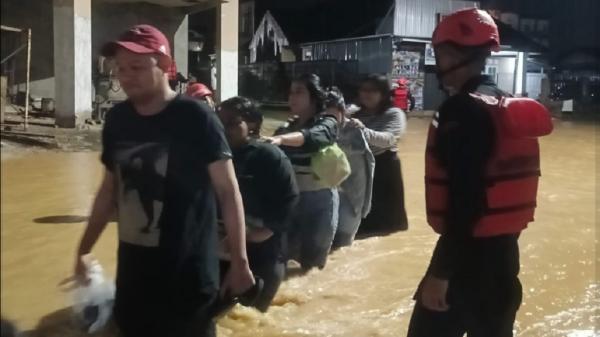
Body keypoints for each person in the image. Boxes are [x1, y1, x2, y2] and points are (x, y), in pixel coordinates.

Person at [73, 24, 254, 337]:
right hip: (133, 274)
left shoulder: (195, 117)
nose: (126, 76)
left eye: (137, 67)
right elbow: (108, 190)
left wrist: (239, 262)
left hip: (188, 276)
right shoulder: (118, 120)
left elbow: (227, 191)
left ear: (166, 66)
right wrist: (83, 249)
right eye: (120, 68)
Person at [407, 9, 553, 337]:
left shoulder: (462, 110)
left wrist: (441, 273)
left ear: (452, 54)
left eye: (440, 54)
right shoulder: (505, 103)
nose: (438, 64)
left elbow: (466, 199)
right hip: (503, 265)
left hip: (464, 266)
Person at [216, 96, 299, 312]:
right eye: (219, 123)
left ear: (251, 123)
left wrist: (263, 231)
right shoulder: (212, 157)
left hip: (264, 249)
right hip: (221, 247)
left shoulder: (269, 156)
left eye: (232, 123)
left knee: (251, 314)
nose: (224, 129)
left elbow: (289, 199)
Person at [265, 74, 339, 271]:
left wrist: (281, 140)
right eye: (290, 92)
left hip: (320, 201)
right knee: (283, 256)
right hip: (289, 199)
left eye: (298, 92)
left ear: (314, 97)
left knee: (313, 265)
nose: (292, 97)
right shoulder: (285, 127)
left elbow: (315, 137)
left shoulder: (328, 123)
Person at [351, 74, 409, 235]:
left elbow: (389, 139)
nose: (366, 94)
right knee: (360, 221)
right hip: (360, 166)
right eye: (363, 90)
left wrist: (362, 130)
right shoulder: (354, 113)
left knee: (386, 224)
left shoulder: (394, 113)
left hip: (384, 168)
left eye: (372, 90)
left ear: (383, 93)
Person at [324, 88, 375, 249]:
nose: (328, 121)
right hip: (328, 194)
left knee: (342, 248)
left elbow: (369, 161)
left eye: (332, 117)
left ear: (342, 112)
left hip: (352, 197)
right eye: (324, 117)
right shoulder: (318, 129)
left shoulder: (354, 130)